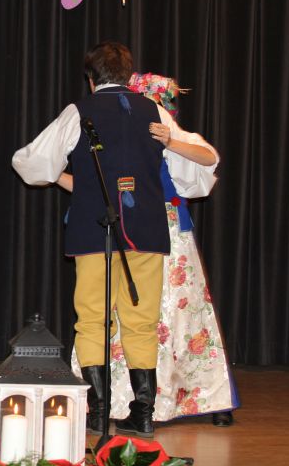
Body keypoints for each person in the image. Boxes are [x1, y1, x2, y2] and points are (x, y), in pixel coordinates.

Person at [11, 41, 217, 438]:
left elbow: (31, 162)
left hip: (94, 230)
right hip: (147, 230)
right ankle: (143, 412)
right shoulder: (155, 111)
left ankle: (98, 411)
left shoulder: (79, 111)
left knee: (92, 319)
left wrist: (59, 175)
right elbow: (198, 166)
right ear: (128, 76)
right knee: (142, 321)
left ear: (91, 79)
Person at [64, 73, 239, 427]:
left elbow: (208, 157)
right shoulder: (109, 140)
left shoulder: (163, 131)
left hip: (165, 233)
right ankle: (113, 402)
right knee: (113, 312)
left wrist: (170, 141)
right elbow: (88, 186)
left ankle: (188, 397)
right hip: (124, 231)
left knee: (176, 314)